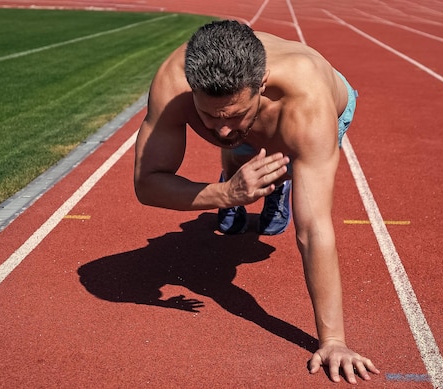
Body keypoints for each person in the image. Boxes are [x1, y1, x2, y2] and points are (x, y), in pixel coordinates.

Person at [134, 20, 379, 384]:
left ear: (261, 83)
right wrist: (225, 194)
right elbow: (146, 184)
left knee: (282, 167)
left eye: (234, 114)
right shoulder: (174, 81)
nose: (221, 131)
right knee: (237, 151)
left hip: (314, 112)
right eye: (207, 117)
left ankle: (274, 180)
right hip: (252, 129)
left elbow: (313, 229)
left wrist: (334, 341)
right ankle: (245, 177)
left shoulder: (307, 102)